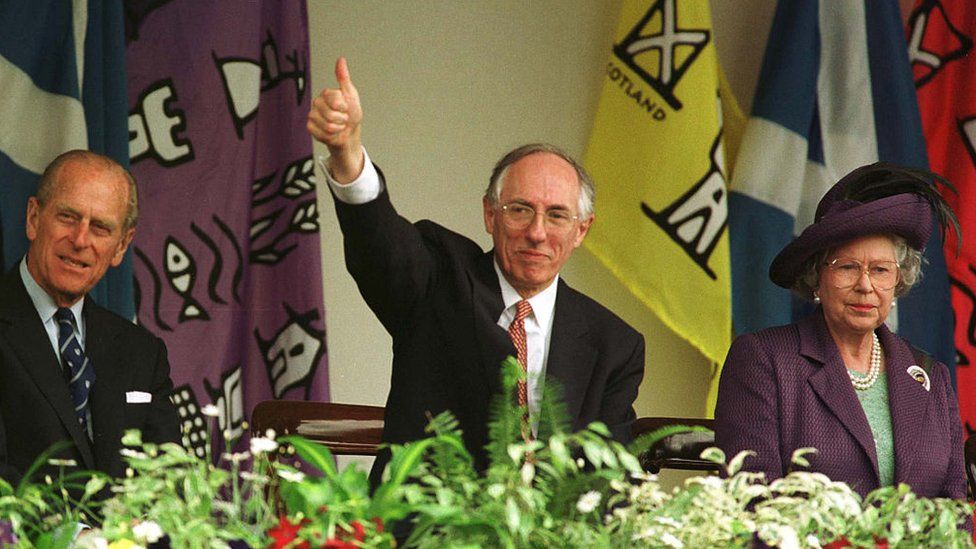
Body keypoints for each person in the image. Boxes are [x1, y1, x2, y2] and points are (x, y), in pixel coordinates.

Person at [308, 58, 644, 487]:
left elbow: (610, 480)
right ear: (490, 214)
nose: (537, 233)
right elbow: (382, 249)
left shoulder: (613, 345)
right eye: (520, 210)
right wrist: (348, 154)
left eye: (557, 216)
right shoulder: (437, 279)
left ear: (582, 230)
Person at [715, 162, 965, 501]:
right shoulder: (764, 360)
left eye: (880, 270)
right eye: (847, 267)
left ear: (898, 280)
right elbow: (752, 500)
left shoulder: (931, 377)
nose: (865, 285)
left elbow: (954, 510)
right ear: (818, 275)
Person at [0, 150, 181, 483]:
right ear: (34, 218)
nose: (80, 240)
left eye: (100, 228)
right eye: (68, 217)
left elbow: (169, 478)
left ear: (122, 246)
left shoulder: (142, 352)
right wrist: (75, 536)